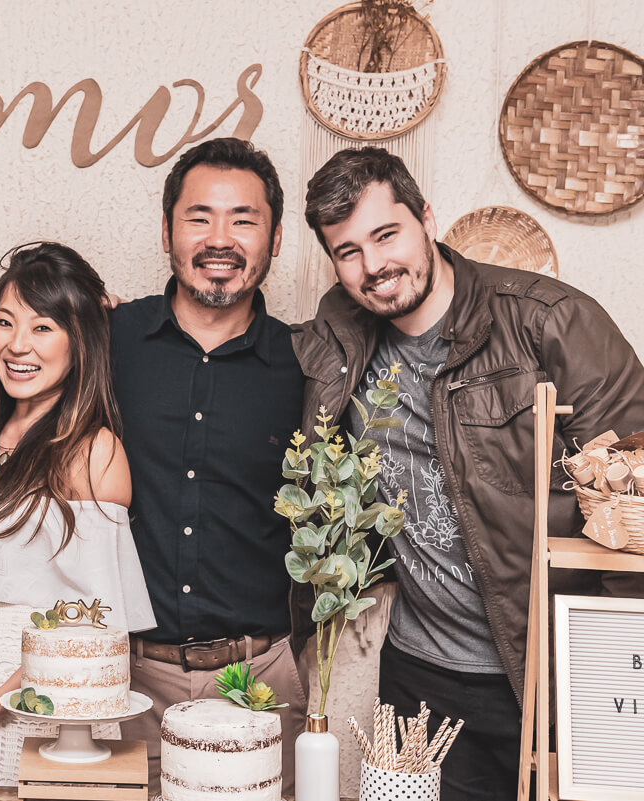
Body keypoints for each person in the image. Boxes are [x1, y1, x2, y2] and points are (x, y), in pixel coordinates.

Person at [295, 146, 644, 801]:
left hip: (547, 675)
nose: (374, 267)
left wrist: (615, 683)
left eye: (386, 234)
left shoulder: (552, 323)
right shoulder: (341, 336)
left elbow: (638, 499)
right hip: (416, 678)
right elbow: (254, 354)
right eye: (348, 252)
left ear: (427, 218)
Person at [0, 242, 156, 786]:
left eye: (44, 327)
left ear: (80, 341)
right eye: (4, 322)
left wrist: (4, 698)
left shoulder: (92, 453)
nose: (17, 345)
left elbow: (97, 628)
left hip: (33, 729)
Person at [111, 137, 307, 796]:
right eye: (200, 217)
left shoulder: (309, 365)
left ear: (275, 237)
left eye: (243, 219)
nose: (220, 238)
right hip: (128, 681)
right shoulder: (109, 340)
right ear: (166, 230)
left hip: (263, 678)